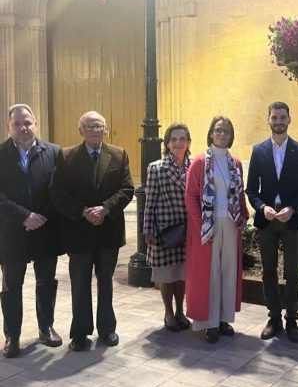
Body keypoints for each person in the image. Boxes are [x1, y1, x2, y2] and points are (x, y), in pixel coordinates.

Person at [50, 111, 134, 352]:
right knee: (80, 284)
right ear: (81, 130)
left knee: (106, 283)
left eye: (98, 126)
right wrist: (83, 211)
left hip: (108, 232)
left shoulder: (119, 155)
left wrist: (105, 209)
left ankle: (107, 329)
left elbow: (127, 188)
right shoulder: (66, 157)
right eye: (89, 126)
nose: (94, 130)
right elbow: (57, 192)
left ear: (105, 129)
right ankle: (79, 332)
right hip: (78, 232)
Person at [246, 101, 298, 343]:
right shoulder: (259, 151)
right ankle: (274, 317)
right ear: (268, 120)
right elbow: (251, 189)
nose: (278, 121)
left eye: (282, 117)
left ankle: (292, 319)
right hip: (267, 220)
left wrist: (293, 208)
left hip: (291, 219)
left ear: (289, 119)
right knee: (268, 271)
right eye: (274, 117)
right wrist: (261, 207)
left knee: (293, 272)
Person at [0, 104, 63, 358]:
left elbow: (59, 190)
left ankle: (46, 327)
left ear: (35, 123)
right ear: (9, 127)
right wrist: (24, 216)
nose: (23, 128)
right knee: (12, 285)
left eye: (27, 123)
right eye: (17, 124)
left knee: (46, 281)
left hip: (45, 230)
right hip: (11, 233)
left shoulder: (54, 152)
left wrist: (41, 216)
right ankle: (11, 336)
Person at [185, 116, 249, 343]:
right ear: (211, 133)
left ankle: (223, 319)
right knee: (209, 274)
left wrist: (243, 214)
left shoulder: (236, 163)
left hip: (231, 224)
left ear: (231, 136)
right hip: (207, 226)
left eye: (226, 131)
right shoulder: (200, 162)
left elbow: (240, 194)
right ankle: (209, 323)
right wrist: (199, 224)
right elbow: (191, 196)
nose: (222, 134)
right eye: (218, 130)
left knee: (228, 271)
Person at [143, 123, 192, 332]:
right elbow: (150, 201)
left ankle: (181, 310)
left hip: (187, 231)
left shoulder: (196, 166)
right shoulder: (156, 168)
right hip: (164, 231)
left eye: (182, 139)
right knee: (166, 275)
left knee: (181, 274)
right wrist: (148, 229)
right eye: (173, 139)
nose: (178, 143)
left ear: (188, 142)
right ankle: (168, 312)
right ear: (167, 143)